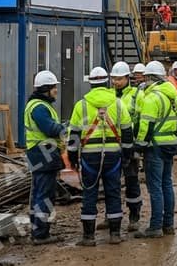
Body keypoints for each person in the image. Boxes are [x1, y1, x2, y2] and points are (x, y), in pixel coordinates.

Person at [67, 66, 134, 246]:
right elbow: (127, 132)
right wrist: (127, 156)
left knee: (90, 193)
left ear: (90, 84)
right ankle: (115, 234)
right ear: (107, 83)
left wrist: (72, 158)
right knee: (113, 193)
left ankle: (88, 237)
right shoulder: (118, 104)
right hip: (113, 156)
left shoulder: (81, 105)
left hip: (90, 157)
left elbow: (74, 135)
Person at [134, 60, 177, 238]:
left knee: (155, 188)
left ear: (149, 78)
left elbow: (146, 126)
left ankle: (155, 227)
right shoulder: (173, 96)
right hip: (170, 144)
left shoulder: (152, 98)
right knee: (167, 184)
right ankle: (168, 224)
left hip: (155, 147)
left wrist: (139, 145)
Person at [24, 70, 66, 245]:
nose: (56, 90)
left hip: (39, 153)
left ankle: (37, 229)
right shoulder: (40, 108)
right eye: (54, 87)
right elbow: (50, 129)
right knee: (45, 195)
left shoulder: (38, 105)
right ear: (46, 89)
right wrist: (66, 128)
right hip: (44, 153)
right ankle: (41, 234)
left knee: (38, 193)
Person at [111, 61, 144, 232]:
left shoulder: (136, 95)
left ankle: (134, 215)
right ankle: (111, 216)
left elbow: (141, 119)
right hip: (113, 146)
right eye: (114, 79)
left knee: (131, 180)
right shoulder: (109, 96)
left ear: (127, 78)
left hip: (130, 146)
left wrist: (137, 144)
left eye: (119, 79)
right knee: (111, 183)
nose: (116, 82)